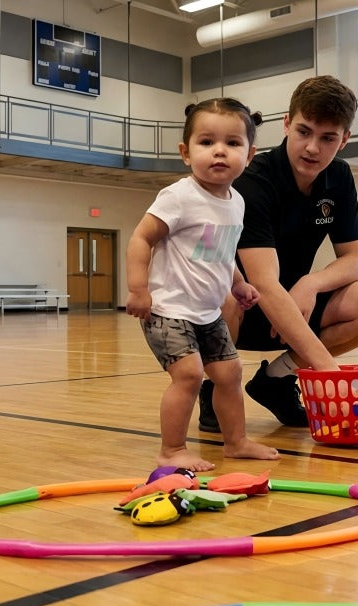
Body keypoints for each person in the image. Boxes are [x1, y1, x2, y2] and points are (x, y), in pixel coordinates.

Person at [198, 75, 358, 433]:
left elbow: (355, 260)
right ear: (287, 124)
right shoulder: (252, 181)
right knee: (223, 296)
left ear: (345, 139)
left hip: (291, 304)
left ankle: (276, 380)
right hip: (240, 305)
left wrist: (311, 283)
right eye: (303, 131)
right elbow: (263, 283)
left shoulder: (339, 176)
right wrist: (333, 378)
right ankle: (215, 389)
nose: (312, 148)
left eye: (328, 138)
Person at [126, 97, 281, 472]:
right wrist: (138, 289)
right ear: (185, 151)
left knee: (229, 374)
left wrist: (240, 284)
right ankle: (172, 450)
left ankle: (236, 441)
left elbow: (219, 252)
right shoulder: (179, 196)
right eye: (206, 142)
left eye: (232, 143)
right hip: (168, 310)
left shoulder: (236, 203)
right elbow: (141, 239)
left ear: (250, 153)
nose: (219, 152)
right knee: (190, 375)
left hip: (208, 312)